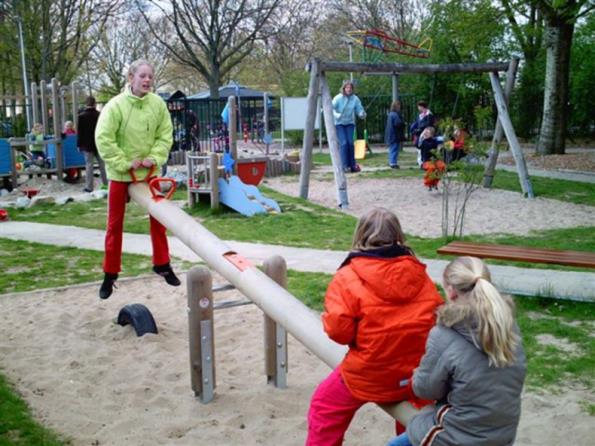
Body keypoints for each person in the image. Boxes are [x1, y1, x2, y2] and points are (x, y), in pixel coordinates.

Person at [306, 207, 443, 446]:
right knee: (415, 417)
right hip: (414, 374)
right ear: (398, 236)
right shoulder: (420, 274)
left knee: (325, 406)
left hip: (370, 373)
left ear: (360, 235)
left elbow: (339, 332)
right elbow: (436, 319)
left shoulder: (348, 276)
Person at [386, 256, 526, 446]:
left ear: (451, 292)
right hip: (502, 434)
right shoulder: (507, 326)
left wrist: (418, 373)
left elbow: (425, 390)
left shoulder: (444, 334)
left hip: (459, 437)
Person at [95, 59, 179, 299]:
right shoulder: (116, 106)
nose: (147, 80)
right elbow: (104, 138)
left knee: (159, 219)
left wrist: (155, 157)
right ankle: (110, 274)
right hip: (122, 173)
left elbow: (165, 134)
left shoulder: (158, 104)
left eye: (150, 77)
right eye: (142, 76)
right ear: (131, 78)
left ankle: (162, 264)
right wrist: (124, 162)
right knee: (114, 225)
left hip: (149, 172)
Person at [332, 80, 366, 173]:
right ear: (343, 88)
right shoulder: (338, 98)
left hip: (349, 123)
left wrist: (361, 114)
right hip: (339, 124)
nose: (349, 89)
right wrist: (337, 115)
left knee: (350, 143)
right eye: (347, 88)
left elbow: (359, 109)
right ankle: (344, 166)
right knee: (344, 143)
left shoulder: (355, 99)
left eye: (350, 88)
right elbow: (330, 109)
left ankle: (353, 165)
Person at [78, 96, 108, 192]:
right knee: (102, 165)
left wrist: (79, 145)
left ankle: (89, 187)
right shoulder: (100, 115)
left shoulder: (81, 116)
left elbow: (80, 132)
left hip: (87, 144)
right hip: (99, 143)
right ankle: (106, 184)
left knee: (89, 165)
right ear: (95, 104)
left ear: (86, 104)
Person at [410, 101, 435, 166]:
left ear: (421, 106)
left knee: (423, 148)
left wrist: (419, 130)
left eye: (418, 106)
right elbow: (417, 123)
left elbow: (428, 125)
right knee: (419, 148)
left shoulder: (429, 115)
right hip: (420, 133)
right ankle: (421, 162)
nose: (418, 108)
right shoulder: (421, 115)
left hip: (426, 133)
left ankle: (423, 162)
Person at [384, 100, 405, 169]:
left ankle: (392, 162)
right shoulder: (395, 115)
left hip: (390, 134)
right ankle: (393, 163)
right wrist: (403, 123)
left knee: (392, 149)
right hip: (395, 135)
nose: (400, 107)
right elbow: (398, 124)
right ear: (396, 106)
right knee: (394, 149)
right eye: (399, 105)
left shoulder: (390, 114)